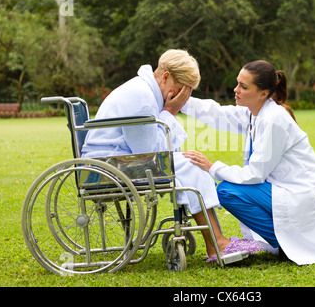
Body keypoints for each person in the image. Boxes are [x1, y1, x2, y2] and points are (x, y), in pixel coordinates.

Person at [81, 49, 261, 261]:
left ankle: (216, 242)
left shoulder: (147, 90)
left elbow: (154, 146)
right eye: (178, 90)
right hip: (107, 167)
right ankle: (217, 243)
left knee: (189, 161)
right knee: (192, 164)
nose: (178, 98)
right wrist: (171, 113)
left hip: (116, 159)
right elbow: (149, 152)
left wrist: (169, 116)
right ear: (166, 77)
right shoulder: (143, 96)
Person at [182, 60, 315, 265]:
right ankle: (284, 241)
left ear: (263, 93)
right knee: (227, 190)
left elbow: (255, 174)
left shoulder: (273, 119)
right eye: (237, 83)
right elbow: (217, 114)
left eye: (244, 86)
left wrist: (212, 167)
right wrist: (181, 100)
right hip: (279, 189)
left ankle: (286, 242)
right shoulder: (253, 112)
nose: (236, 90)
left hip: (297, 192)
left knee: (226, 191)